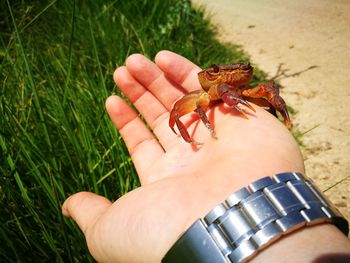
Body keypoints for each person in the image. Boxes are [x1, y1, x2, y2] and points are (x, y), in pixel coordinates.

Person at [62, 51, 350, 262]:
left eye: (241, 70)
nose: (231, 75)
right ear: (208, 75)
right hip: (209, 99)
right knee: (176, 111)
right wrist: (198, 125)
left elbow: (266, 90)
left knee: (268, 91)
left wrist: (272, 108)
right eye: (219, 72)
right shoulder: (202, 93)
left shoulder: (247, 85)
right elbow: (177, 112)